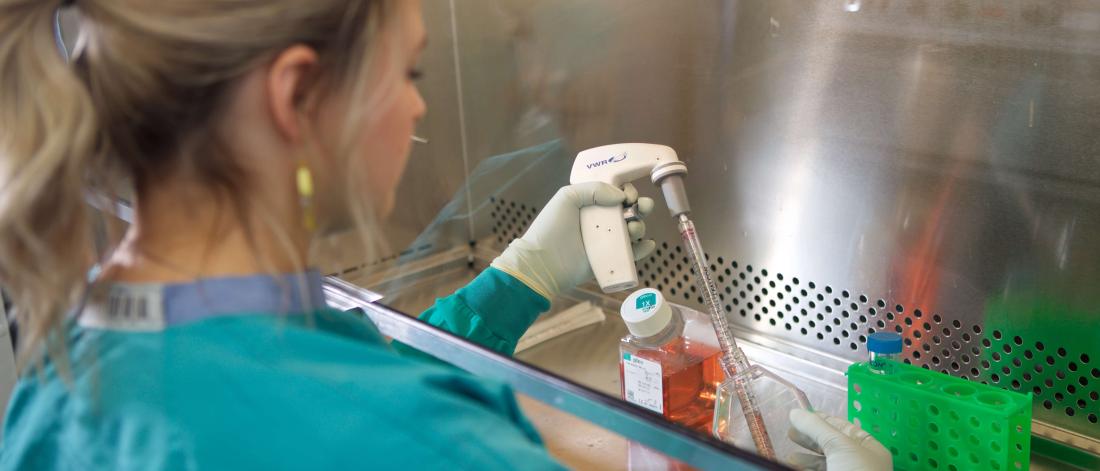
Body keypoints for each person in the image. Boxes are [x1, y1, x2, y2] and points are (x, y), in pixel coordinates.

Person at [0, 0, 889, 469]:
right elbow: (380, 421)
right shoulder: (432, 447)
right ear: (298, 96)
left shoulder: (58, 369)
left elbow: (342, 379)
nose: (421, 105)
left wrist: (523, 277)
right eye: (410, 70)